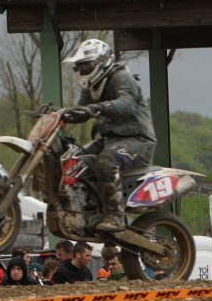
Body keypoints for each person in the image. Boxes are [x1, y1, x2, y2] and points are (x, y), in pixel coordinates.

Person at [62, 39, 157, 233]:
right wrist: (60, 114)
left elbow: (126, 103)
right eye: (79, 68)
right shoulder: (91, 86)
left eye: (86, 66)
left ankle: (115, 216)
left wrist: (98, 108)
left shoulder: (120, 77)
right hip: (109, 140)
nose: (83, 72)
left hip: (136, 140)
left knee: (105, 162)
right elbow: (82, 110)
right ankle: (88, 209)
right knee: (73, 160)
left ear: (101, 62)